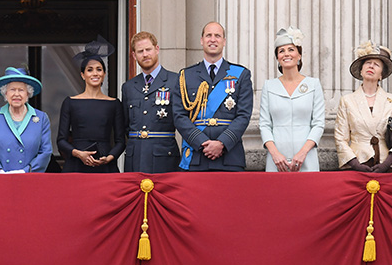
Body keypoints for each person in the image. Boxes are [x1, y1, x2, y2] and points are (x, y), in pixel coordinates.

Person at [172, 22, 253, 171]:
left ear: (224, 41)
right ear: (202, 40)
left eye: (217, 36)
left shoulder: (240, 74)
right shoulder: (186, 76)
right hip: (197, 156)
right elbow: (179, 116)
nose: (213, 39)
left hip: (230, 157)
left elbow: (243, 116)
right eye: (208, 35)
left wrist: (222, 143)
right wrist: (202, 142)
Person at [259, 27, 325, 172]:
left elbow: (318, 123)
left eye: (291, 49)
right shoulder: (269, 86)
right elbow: (264, 124)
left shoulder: (313, 84)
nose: (286, 54)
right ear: (277, 58)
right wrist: (275, 154)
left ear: (299, 55)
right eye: (281, 51)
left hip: (306, 157)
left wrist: (303, 153)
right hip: (277, 160)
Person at [57, 36, 125, 173]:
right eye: (90, 69)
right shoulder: (70, 102)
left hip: (105, 165)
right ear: (82, 75)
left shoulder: (114, 104)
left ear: (104, 74)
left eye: (99, 69)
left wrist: (110, 157)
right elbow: (61, 140)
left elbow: (121, 141)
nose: (95, 73)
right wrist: (78, 153)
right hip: (76, 165)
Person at [334, 41, 392, 172]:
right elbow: (340, 138)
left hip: (386, 165)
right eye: (367, 63)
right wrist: (355, 165)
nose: (371, 66)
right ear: (361, 71)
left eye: (376, 64)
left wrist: (386, 164)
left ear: (381, 74)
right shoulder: (347, 101)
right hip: (357, 164)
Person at [121, 31, 180, 173]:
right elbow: (125, 124)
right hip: (135, 157)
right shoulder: (129, 87)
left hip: (164, 157)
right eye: (140, 51)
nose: (145, 54)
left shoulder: (175, 81)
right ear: (134, 56)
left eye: (148, 49)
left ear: (157, 49)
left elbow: (183, 120)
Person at [0, 67, 52, 173]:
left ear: (28, 93)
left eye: (21, 90)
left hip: (29, 179)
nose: (17, 94)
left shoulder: (41, 118)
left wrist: (25, 171)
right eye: (12, 90)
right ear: (5, 93)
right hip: (0, 179)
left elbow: (46, 152)